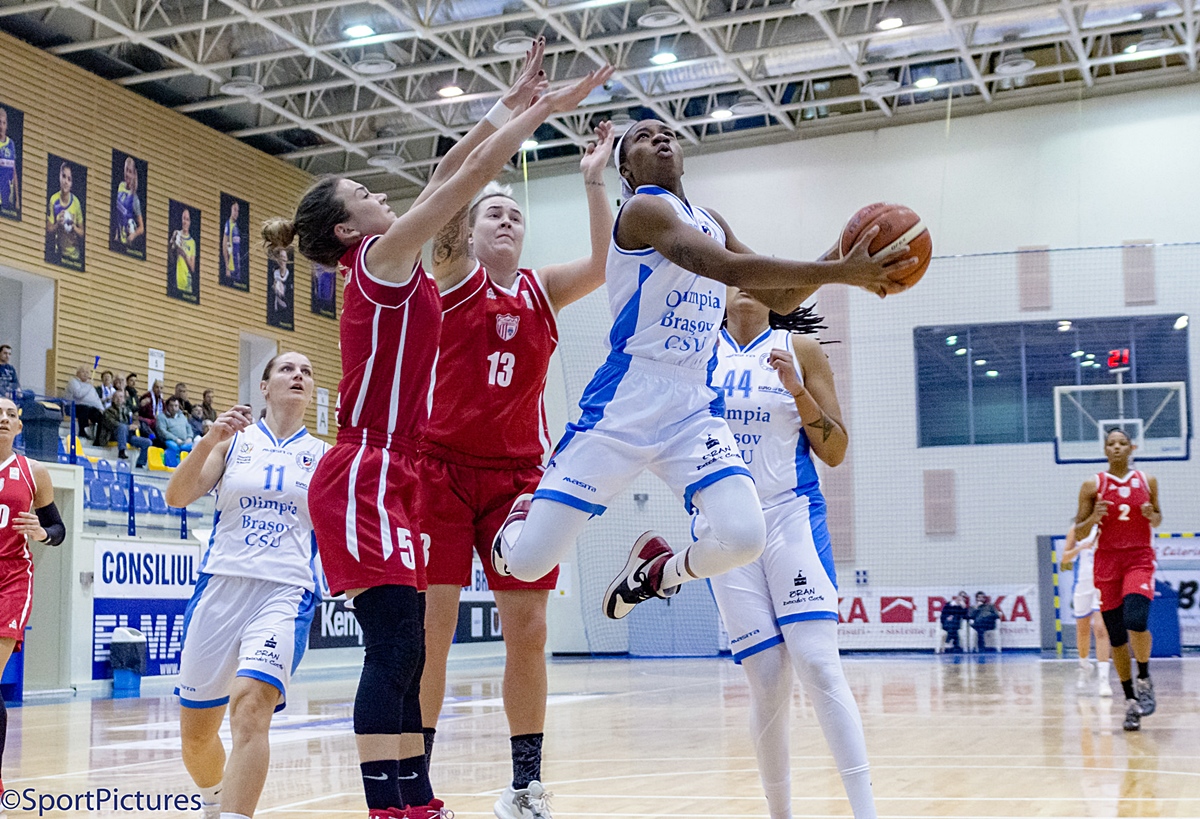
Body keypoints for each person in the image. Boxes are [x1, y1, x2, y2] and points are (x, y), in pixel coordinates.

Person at [261, 40, 610, 819]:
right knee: (400, 643)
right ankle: (392, 803)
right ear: (349, 228)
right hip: (373, 464)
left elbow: (452, 168)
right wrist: (539, 113)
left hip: (405, 467)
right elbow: (468, 177)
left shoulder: (395, 261)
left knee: (407, 643)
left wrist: (509, 102)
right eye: (364, 192)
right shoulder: (383, 257)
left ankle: (415, 798)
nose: (382, 193)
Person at [491, 118, 915, 621]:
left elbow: (779, 297)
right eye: (643, 136)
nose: (660, 138)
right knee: (528, 564)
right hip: (627, 396)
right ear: (626, 171)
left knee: (745, 537)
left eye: (667, 133)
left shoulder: (710, 219)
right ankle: (519, 521)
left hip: (692, 402)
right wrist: (841, 271)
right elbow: (727, 269)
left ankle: (655, 573)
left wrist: (842, 258)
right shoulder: (643, 209)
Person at [419, 120, 616, 819]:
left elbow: (605, 263)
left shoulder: (542, 288)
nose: (505, 220)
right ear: (471, 233)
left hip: (519, 478)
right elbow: (443, 202)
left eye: (515, 215)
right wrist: (487, 147)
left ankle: (525, 786)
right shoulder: (452, 274)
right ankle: (416, 781)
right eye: (492, 213)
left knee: (528, 631)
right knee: (432, 632)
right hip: (440, 469)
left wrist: (593, 179)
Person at [703, 288, 876, 819]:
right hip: (723, 524)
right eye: (733, 273)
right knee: (768, 680)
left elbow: (836, 450)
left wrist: (798, 392)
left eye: (756, 273)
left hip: (790, 517)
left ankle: (867, 813)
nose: (744, 282)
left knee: (818, 663)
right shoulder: (696, 350)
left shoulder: (800, 348)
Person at [168, 353, 329, 819]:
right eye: (287, 369)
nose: (298, 375)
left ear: (311, 391)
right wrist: (209, 440)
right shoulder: (233, 443)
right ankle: (215, 799)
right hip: (220, 587)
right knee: (196, 738)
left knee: (251, 710)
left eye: (306, 371)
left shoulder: (324, 456)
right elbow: (176, 496)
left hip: (286, 591)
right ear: (264, 387)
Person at [0, 397, 66, 799]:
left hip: (11, 577)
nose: (3, 419)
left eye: (10, 414)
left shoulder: (33, 472)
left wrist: (41, 533)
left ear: (20, 427)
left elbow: (57, 528)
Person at [1074, 427, 1161, 731]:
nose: (1117, 447)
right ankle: (1130, 701)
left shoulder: (1147, 481)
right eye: (1111, 443)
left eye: (1122, 443)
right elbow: (1080, 532)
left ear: (1131, 448)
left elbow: (1158, 518)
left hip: (1138, 558)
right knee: (1117, 638)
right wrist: (1093, 518)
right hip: (1107, 562)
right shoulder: (1092, 485)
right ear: (1105, 449)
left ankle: (1144, 678)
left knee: (1136, 619)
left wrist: (1151, 515)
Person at [1062, 524, 1112, 697]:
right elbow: (1065, 559)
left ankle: (1104, 679)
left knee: (1100, 628)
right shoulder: (1077, 528)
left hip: (1103, 582)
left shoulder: (1108, 525)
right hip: (1082, 584)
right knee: (1082, 630)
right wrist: (1080, 547)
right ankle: (1084, 667)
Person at [97, 375, 151, 466]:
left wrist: (136, 424)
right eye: (117, 397)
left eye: (121, 397)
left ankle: (140, 463)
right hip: (113, 434)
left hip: (128, 435)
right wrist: (128, 427)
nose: (119, 399)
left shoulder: (128, 410)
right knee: (122, 426)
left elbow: (135, 419)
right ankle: (121, 451)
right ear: (113, 399)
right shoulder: (108, 411)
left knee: (148, 442)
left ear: (124, 399)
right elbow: (112, 424)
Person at [46, 161, 84, 268]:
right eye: (63, 176)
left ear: (72, 183)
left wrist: (73, 227)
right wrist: (57, 224)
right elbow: (49, 229)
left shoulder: (76, 203)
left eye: (69, 179)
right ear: (59, 176)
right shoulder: (54, 199)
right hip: (59, 254)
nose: (66, 182)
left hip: (74, 255)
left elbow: (82, 233)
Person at [63, 364, 104, 439]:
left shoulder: (89, 385)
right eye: (83, 372)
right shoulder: (73, 382)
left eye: (87, 372)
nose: (85, 374)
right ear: (77, 373)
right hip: (72, 407)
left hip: (88, 408)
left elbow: (96, 399)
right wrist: (89, 386)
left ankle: (98, 439)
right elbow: (79, 394)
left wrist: (101, 409)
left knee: (99, 415)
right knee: (84, 409)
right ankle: (83, 432)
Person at [112, 155, 144, 251]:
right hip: (117, 239)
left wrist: (133, 235)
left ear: (134, 174)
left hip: (126, 242)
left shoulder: (134, 199)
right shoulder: (120, 186)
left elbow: (141, 228)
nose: (127, 174)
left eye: (130, 172)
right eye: (126, 170)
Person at [156, 396, 195, 466]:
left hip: (184, 441)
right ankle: (175, 467)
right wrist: (175, 439)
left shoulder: (182, 416)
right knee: (174, 447)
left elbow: (188, 427)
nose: (174, 408)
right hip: (170, 440)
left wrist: (189, 437)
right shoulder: (162, 417)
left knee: (194, 447)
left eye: (176, 406)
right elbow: (162, 431)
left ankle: (190, 467)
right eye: (171, 406)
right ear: (167, 406)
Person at [173, 208, 198, 295]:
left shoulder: (192, 242)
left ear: (190, 222)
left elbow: (192, 268)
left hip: (187, 281)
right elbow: (171, 258)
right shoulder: (177, 235)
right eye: (184, 218)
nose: (185, 222)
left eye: (187, 219)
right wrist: (172, 242)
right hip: (177, 280)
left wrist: (184, 254)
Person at [0, 107, 20, 215]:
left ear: (6, 125)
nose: (1, 126)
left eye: (4, 123)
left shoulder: (11, 144)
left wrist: (17, 199)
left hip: (8, 195)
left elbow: (14, 172)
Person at [223, 200, 242, 284]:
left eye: (237, 211)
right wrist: (227, 267)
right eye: (234, 210)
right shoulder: (228, 224)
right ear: (231, 209)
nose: (236, 213)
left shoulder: (237, 226)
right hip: (231, 268)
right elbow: (224, 245)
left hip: (238, 268)